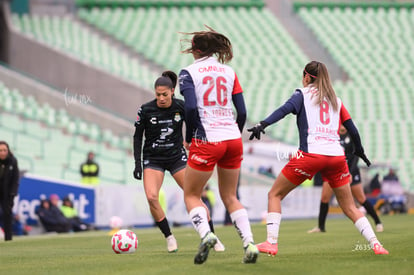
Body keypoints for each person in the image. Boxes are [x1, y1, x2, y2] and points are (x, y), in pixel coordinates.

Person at [248, 61, 388, 255]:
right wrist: (359, 150)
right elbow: (353, 129)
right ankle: (376, 244)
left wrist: (262, 125)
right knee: (349, 207)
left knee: (275, 194)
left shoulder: (302, 94)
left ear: (306, 77)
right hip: (336, 157)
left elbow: (283, 110)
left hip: (311, 155)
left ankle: (271, 242)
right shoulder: (335, 100)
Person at [179, 26, 259, 264]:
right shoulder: (229, 71)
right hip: (232, 138)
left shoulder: (188, 72)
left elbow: (191, 108)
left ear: (195, 49)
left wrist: (190, 136)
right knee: (230, 196)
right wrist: (234, 129)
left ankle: (206, 235)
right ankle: (250, 244)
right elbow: (242, 111)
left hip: (208, 138)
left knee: (191, 194)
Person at [133, 70, 224, 253]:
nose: (161, 98)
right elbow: (137, 137)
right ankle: (169, 237)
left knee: (195, 196)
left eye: (164, 94)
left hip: (176, 158)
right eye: (158, 94)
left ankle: (211, 236)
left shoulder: (181, 107)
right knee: (151, 196)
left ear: (172, 91)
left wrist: (193, 141)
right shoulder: (146, 109)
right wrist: (138, 163)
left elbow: (197, 124)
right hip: (153, 159)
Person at [308, 125, 383, 233]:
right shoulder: (333, 135)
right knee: (325, 198)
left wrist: (349, 172)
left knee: (361, 198)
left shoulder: (352, 135)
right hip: (334, 170)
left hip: (350, 171)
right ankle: (321, 227)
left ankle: (378, 222)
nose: (342, 123)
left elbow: (356, 156)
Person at [0, 141, 19, 241]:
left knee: (7, 214)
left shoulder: (13, 161)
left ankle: (8, 239)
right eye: (0, 150)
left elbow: (15, 179)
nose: (2, 152)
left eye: (4, 150)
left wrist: (12, 194)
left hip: (7, 193)